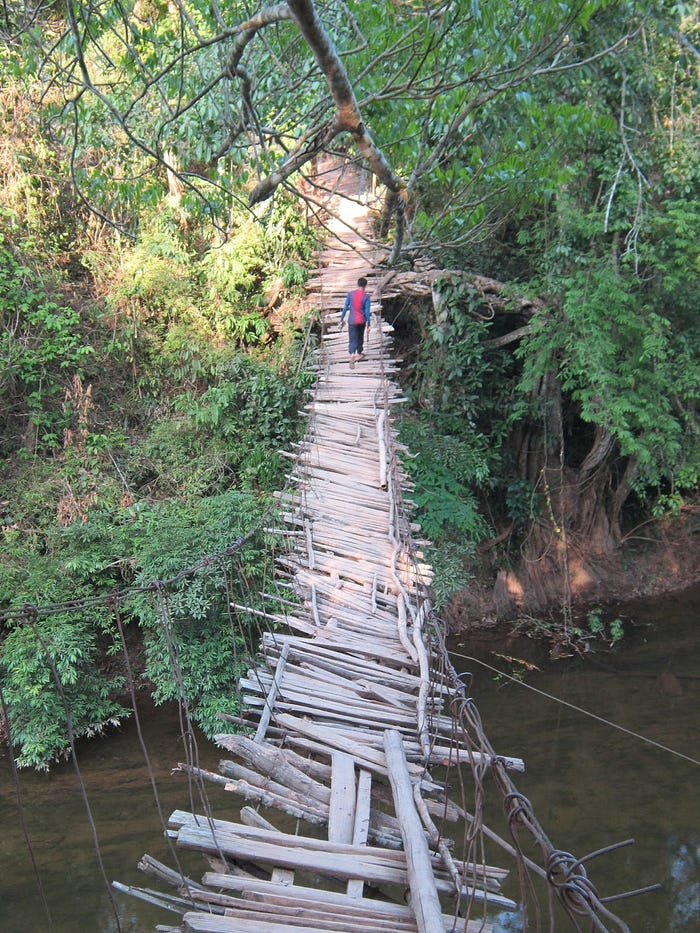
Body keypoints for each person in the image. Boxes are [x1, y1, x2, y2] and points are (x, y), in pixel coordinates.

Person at [340, 277, 371, 364]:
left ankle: (352, 353)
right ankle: (359, 353)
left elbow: (345, 307)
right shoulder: (367, 297)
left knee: (352, 338)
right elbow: (367, 311)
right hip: (361, 321)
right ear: (365, 286)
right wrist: (369, 325)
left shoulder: (350, 294)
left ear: (357, 284)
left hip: (352, 320)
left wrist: (341, 319)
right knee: (360, 337)